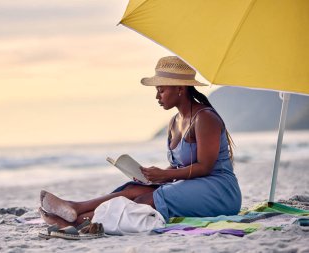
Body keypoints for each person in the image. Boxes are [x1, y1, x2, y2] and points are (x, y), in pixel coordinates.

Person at [39, 56, 242, 228]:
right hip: (192, 184)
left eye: (161, 90)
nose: (157, 96)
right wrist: (154, 176)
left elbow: (205, 167)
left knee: (145, 200)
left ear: (180, 88)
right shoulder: (174, 122)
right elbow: (179, 166)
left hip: (218, 191)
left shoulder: (204, 118)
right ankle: (76, 207)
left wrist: (165, 175)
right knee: (133, 190)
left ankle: (80, 223)